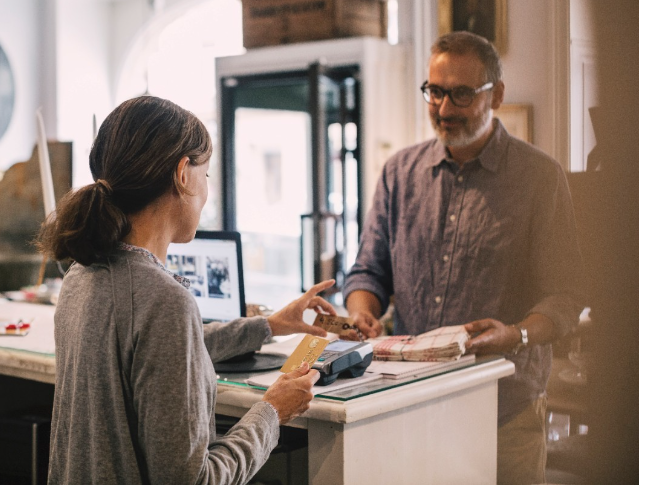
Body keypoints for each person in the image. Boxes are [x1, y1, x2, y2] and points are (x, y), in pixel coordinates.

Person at [40, 95, 336, 484]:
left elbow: (163, 354)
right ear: (183, 174)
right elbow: (194, 482)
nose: (207, 188)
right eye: (207, 174)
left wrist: (269, 325)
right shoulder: (163, 300)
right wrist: (271, 412)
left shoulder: (81, 273)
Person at [344, 31, 584, 484]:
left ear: (496, 95)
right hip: (409, 402)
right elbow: (368, 271)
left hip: (506, 412)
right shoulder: (400, 172)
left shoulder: (539, 177)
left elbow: (567, 296)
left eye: (460, 94)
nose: (443, 109)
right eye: (434, 92)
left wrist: (514, 334)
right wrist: (361, 313)